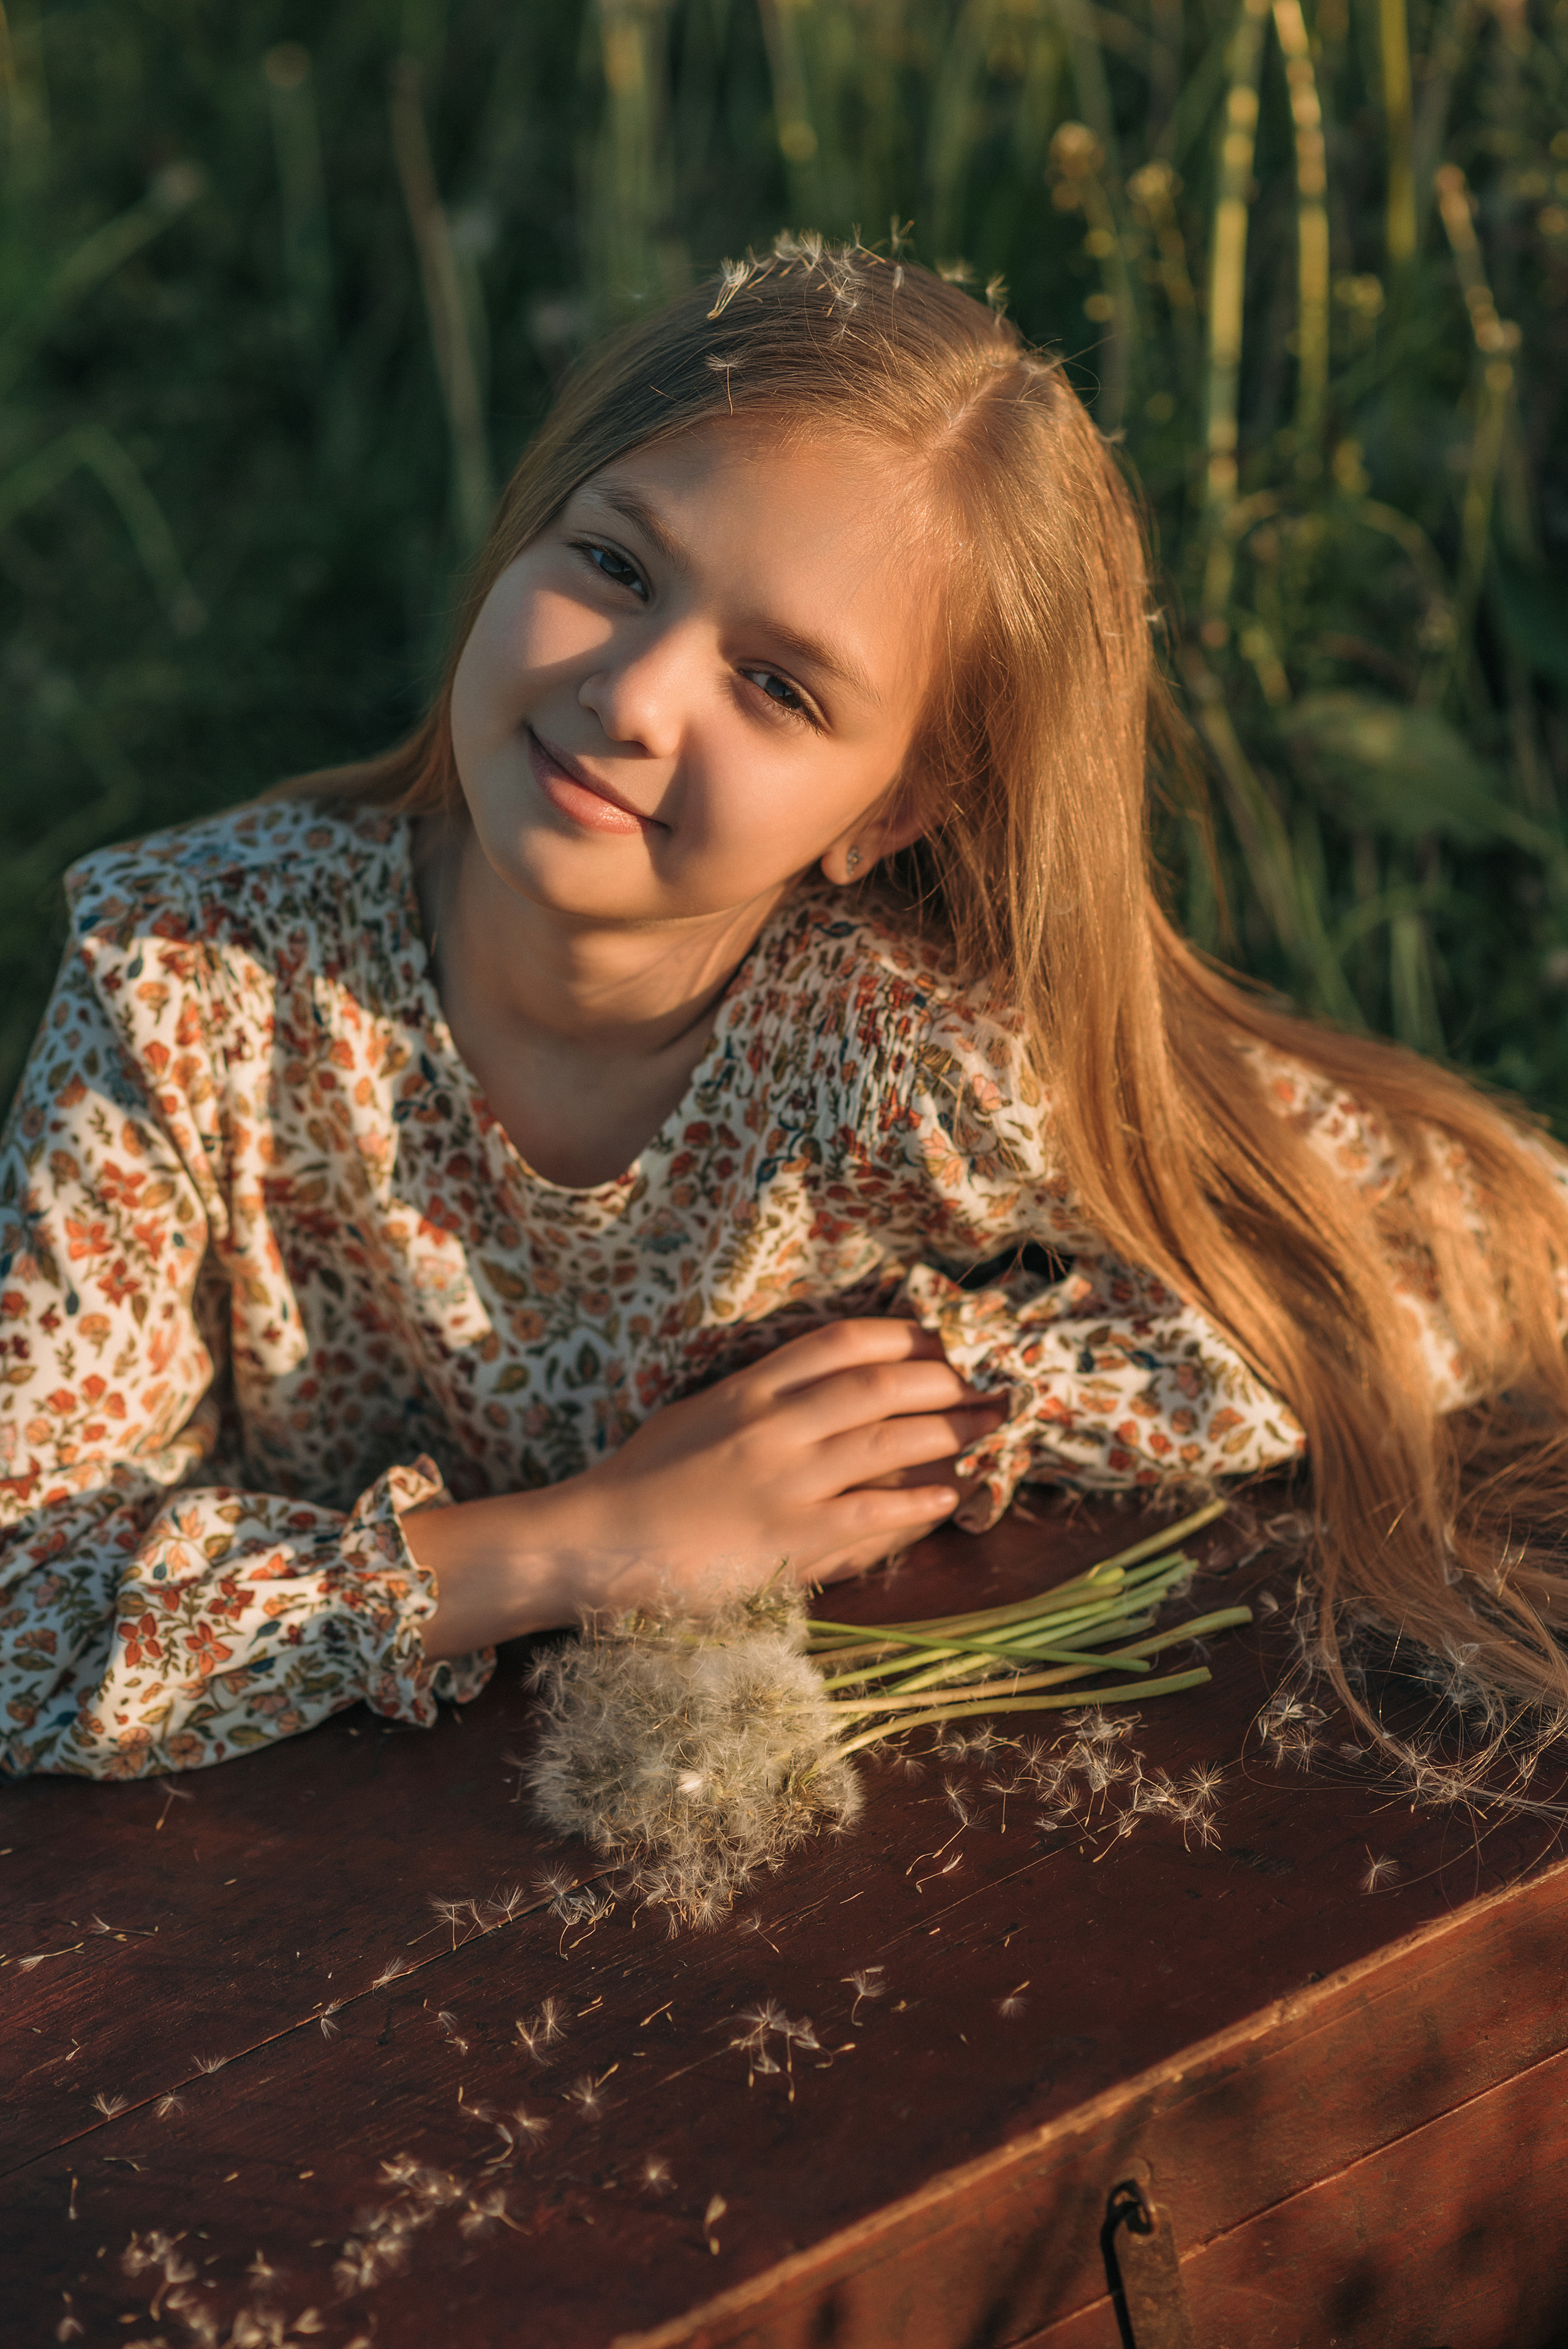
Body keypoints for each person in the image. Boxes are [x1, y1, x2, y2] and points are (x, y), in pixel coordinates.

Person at [4, 240, 1566, 1784]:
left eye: (779, 688)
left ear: (885, 816)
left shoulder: (894, 1063)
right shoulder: (192, 977)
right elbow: (23, 1603)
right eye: (613, 565)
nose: (632, 695)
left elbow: (1463, 1249)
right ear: (524, 527)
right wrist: (587, 1544)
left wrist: (930, 1405)